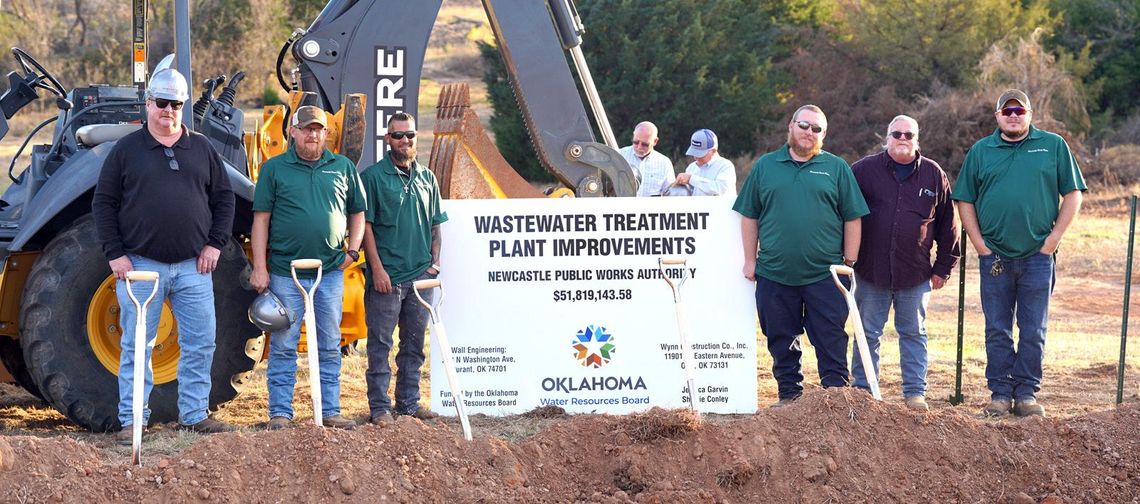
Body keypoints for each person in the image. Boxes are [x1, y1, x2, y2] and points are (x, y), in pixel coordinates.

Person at [92, 68, 236, 443]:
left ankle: (193, 415)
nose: (167, 110)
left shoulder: (202, 148)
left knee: (201, 342)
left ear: (183, 106)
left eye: (175, 103)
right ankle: (134, 421)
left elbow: (224, 199)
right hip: (141, 267)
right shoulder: (126, 151)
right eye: (161, 103)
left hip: (193, 268)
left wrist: (215, 244)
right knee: (137, 345)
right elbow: (103, 203)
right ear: (148, 103)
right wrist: (115, 256)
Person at [954, 89, 1086, 418]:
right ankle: (1000, 393)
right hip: (994, 257)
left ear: (1030, 113)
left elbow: (1073, 194)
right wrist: (981, 246)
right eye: (1007, 110)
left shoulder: (1053, 146)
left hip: (1037, 257)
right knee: (997, 328)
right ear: (997, 116)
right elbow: (964, 199)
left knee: (1033, 329)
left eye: (1019, 110)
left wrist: (1052, 241)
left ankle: (1026, 393)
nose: (1013, 115)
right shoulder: (981, 151)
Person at [732, 105, 868, 407]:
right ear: (791, 126)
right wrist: (750, 259)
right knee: (781, 338)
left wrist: (849, 263)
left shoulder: (836, 168)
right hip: (775, 273)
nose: (810, 132)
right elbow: (749, 215)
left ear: (824, 134)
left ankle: (836, 398)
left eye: (817, 128)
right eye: (804, 125)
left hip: (825, 275)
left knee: (831, 338)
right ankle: (789, 396)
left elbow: (853, 217)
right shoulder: (766, 166)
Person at [250, 105, 365, 430]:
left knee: (329, 343)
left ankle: (330, 411)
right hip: (286, 273)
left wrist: (352, 252)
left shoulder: (341, 167)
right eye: (306, 129)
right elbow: (261, 221)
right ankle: (280, 414)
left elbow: (358, 212)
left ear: (326, 133)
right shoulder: (274, 169)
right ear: (293, 132)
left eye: (318, 129)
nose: (313, 134)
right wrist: (260, 267)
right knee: (284, 345)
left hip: (328, 273)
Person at [849, 115, 960, 411]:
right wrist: (845, 258)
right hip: (870, 272)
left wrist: (943, 269)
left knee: (913, 333)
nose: (902, 138)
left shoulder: (934, 175)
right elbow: (843, 212)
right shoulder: (862, 171)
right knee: (867, 333)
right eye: (896, 133)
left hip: (915, 274)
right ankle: (863, 392)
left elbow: (949, 225)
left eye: (908, 134)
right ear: (886, 138)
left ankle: (914, 394)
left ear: (917, 139)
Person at [360, 112, 449, 425]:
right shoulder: (372, 177)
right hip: (387, 280)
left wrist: (434, 264)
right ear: (388, 139)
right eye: (398, 135)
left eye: (410, 135)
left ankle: (408, 405)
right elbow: (365, 227)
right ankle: (380, 409)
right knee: (380, 347)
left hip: (419, 278)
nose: (405, 141)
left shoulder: (427, 177)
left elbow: (437, 224)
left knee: (413, 346)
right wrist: (378, 270)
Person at [618, 121, 675, 197]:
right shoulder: (620, 155)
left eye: (645, 144)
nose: (639, 147)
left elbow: (670, 193)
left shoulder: (664, 163)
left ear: (655, 141)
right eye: (636, 142)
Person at [675, 128, 736, 196]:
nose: (696, 157)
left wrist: (691, 179)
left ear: (713, 151)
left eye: (700, 154)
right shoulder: (691, 168)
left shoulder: (725, 166)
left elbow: (720, 189)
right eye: (694, 153)